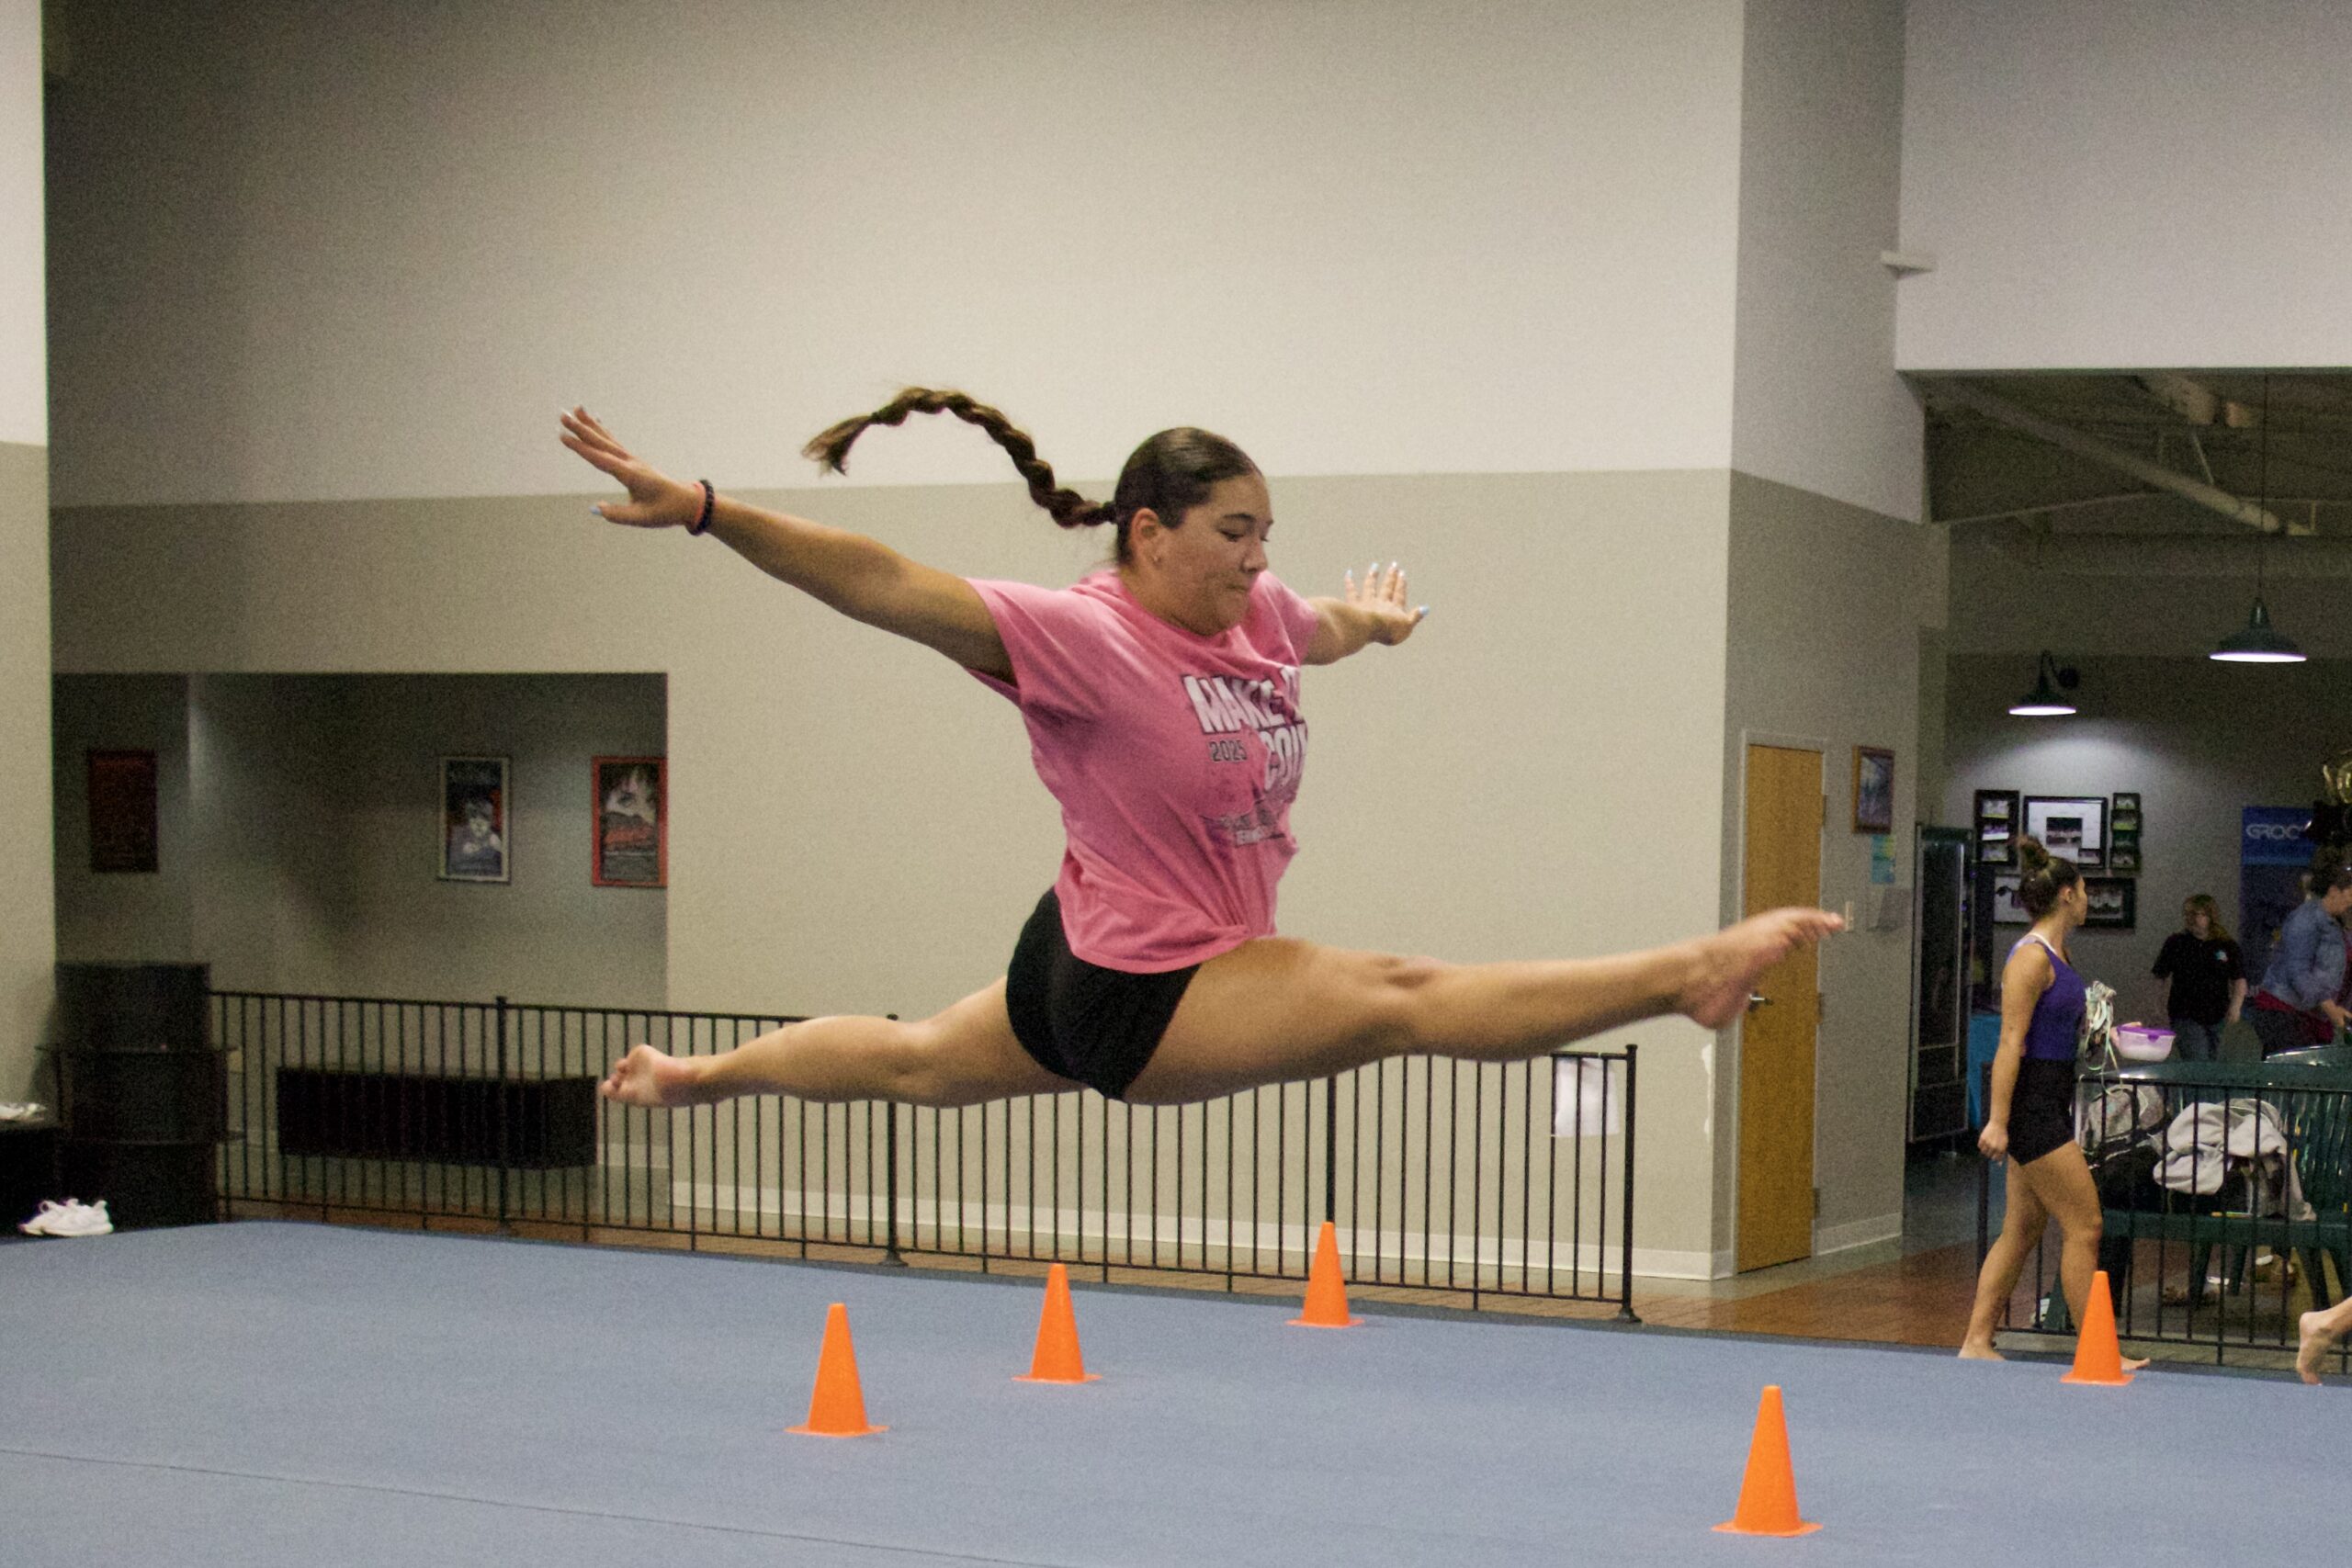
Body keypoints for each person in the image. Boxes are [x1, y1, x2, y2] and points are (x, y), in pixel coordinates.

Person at [559, 391, 1841, 1114]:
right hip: (1148, 979)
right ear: (1149, 532)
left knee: (912, 1060)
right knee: (1402, 995)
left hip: (1073, 941)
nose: (1258, 556)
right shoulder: (1078, 638)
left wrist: (1379, 624)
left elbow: (1318, 625)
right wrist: (711, 513)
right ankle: (1686, 972)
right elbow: (885, 582)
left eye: (1267, 532)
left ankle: (694, 1075)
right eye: (1234, 530)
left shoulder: (1256, 615)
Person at [1960, 836, 2145, 1368]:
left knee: (2022, 1229)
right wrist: (1998, 1122)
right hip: (2033, 1108)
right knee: (2086, 1224)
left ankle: (1976, 1341)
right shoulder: (2029, 959)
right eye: (2085, 890)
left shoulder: (2061, 955)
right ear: (2067, 894)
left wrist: (2105, 1030)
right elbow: (2010, 1044)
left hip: (2051, 1097)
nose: (2089, 899)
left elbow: (2056, 1029)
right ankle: (2096, 1352)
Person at [2246, 853, 2352, 1058]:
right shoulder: (2306, 920)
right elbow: (2298, 972)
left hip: (2309, 1018)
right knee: (2290, 1078)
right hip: (2284, 1014)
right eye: (2349, 895)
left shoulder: (2333, 926)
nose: (2350, 902)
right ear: (2334, 891)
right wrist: (2330, 1007)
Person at [2150, 894, 2245, 1063]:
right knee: (2197, 1059)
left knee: (2213, 1059)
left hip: (2217, 1013)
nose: (2192, 919)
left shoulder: (2226, 945)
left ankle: (2204, 1090)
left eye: (2198, 915)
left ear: (2210, 916)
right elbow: (2160, 977)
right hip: (2186, 1013)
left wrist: (2236, 1006)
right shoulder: (2176, 943)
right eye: (2188, 915)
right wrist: (2158, 1007)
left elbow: (2239, 979)